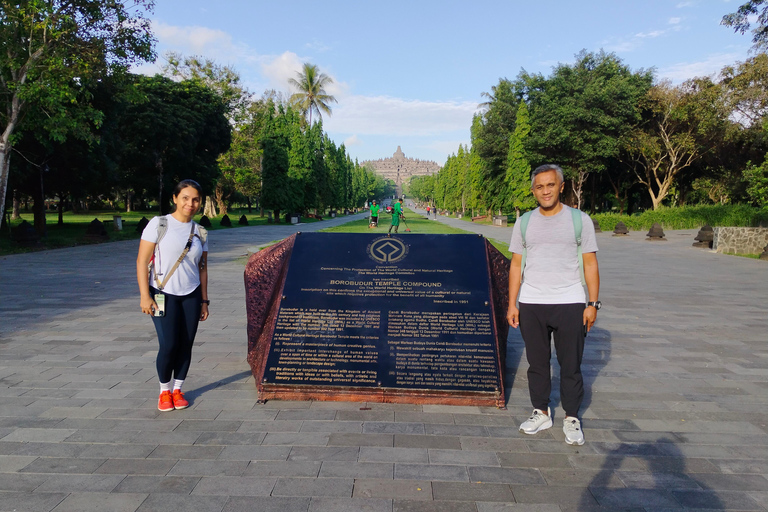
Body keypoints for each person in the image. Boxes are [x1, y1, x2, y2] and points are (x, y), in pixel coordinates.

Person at [506, 164, 600, 446]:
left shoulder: (579, 220)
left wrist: (592, 303)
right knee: (537, 363)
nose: (545, 191)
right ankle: (541, 411)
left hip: (569, 300)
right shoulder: (524, 223)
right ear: (533, 190)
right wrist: (512, 304)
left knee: (570, 363)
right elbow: (516, 265)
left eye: (550, 185)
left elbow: (590, 263)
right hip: (532, 302)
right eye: (539, 186)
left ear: (561, 186)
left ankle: (572, 417)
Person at [136, 179, 210, 412]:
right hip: (161, 293)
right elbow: (141, 261)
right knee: (168, 344)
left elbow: (203, 268)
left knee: (186, 344)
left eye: (195, 199)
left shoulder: (200, 231)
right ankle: (164, 391)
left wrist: (205, 300)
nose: (191, 203)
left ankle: (178, 389)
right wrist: (144, 296)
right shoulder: (159, 225)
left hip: (192, 295)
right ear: (175, 198)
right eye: (185, 198)